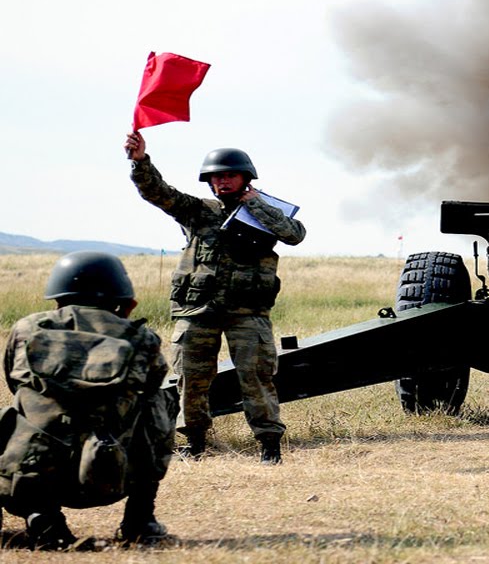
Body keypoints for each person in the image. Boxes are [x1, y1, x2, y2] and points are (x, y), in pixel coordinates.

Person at [124, 130, 305, 464]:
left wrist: (256, 205)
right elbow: (157, 192)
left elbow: (294, 234)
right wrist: (140, 162)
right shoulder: (197, 210)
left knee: (256, 377)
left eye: (230, 175)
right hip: (198, 310)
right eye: (216, 176)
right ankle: (195, 443)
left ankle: (269, 445)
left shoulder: (266, 211)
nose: (222, 181)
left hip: (247, 312)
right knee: (191, 379)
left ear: (246, 178)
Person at [1, 252, 175, 550]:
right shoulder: (142, 338)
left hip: (28, 475)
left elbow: (14, 383)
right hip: (111, 472)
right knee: (161, 402)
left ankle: (42, 516)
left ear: (57, 293)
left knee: (19, 409)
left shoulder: (27, 328)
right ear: (123, 296)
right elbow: (152, 384)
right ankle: (140, 519)